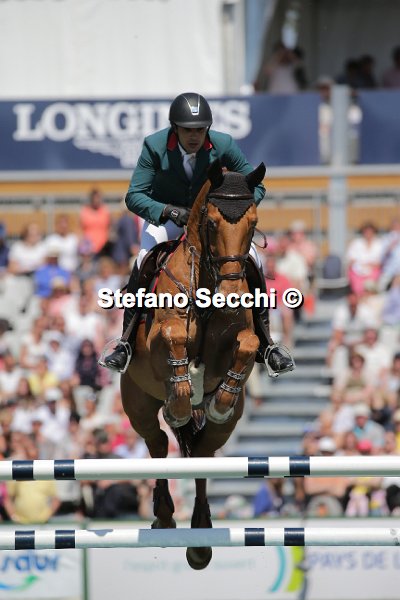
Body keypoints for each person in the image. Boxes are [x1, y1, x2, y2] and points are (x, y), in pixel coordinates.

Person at [102, 92, 294, 376]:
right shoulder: (155, 146)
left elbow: (256, 186)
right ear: (175, 128)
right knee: (143, 259)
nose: (194, 136)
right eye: (187, 130)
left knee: (253, 258)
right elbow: (134, 196)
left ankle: (266, 344)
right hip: (168, 218)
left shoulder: (224, 144)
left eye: (200, 130)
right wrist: (168, 211)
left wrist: (232, 213)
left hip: (213, 223)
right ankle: (126, 342)